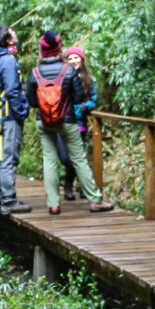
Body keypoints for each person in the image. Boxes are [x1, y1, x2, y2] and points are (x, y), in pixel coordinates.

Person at [27, 31, 113, 215]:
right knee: (79, 159)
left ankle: (53, 204)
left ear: (42, 51)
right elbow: (79, 97)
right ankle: (94, 201)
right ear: (59, 49)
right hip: (67, 120)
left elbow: (32, 102)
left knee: (49, 160)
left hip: (43, 121)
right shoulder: (68, 71)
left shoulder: (35, 73)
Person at [0, 25, 31, 214]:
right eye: (12, 32)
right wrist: (22, 111)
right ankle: (9, 200)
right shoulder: (7, 60)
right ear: (8, 40)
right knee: (9, 156)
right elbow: (13, 90)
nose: (15, 32)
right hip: (9, 115)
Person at [58, 45, 98, 199]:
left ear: (82, 59)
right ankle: (71, 184)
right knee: (65, 158)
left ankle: (71, 187)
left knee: (77, 157)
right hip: (62, 122)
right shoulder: (62, 77)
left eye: (76, 57)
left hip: (79, 124)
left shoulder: (90, 80)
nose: (74, 60)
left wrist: (87, 106)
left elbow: (94, 100)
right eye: (70, 58)